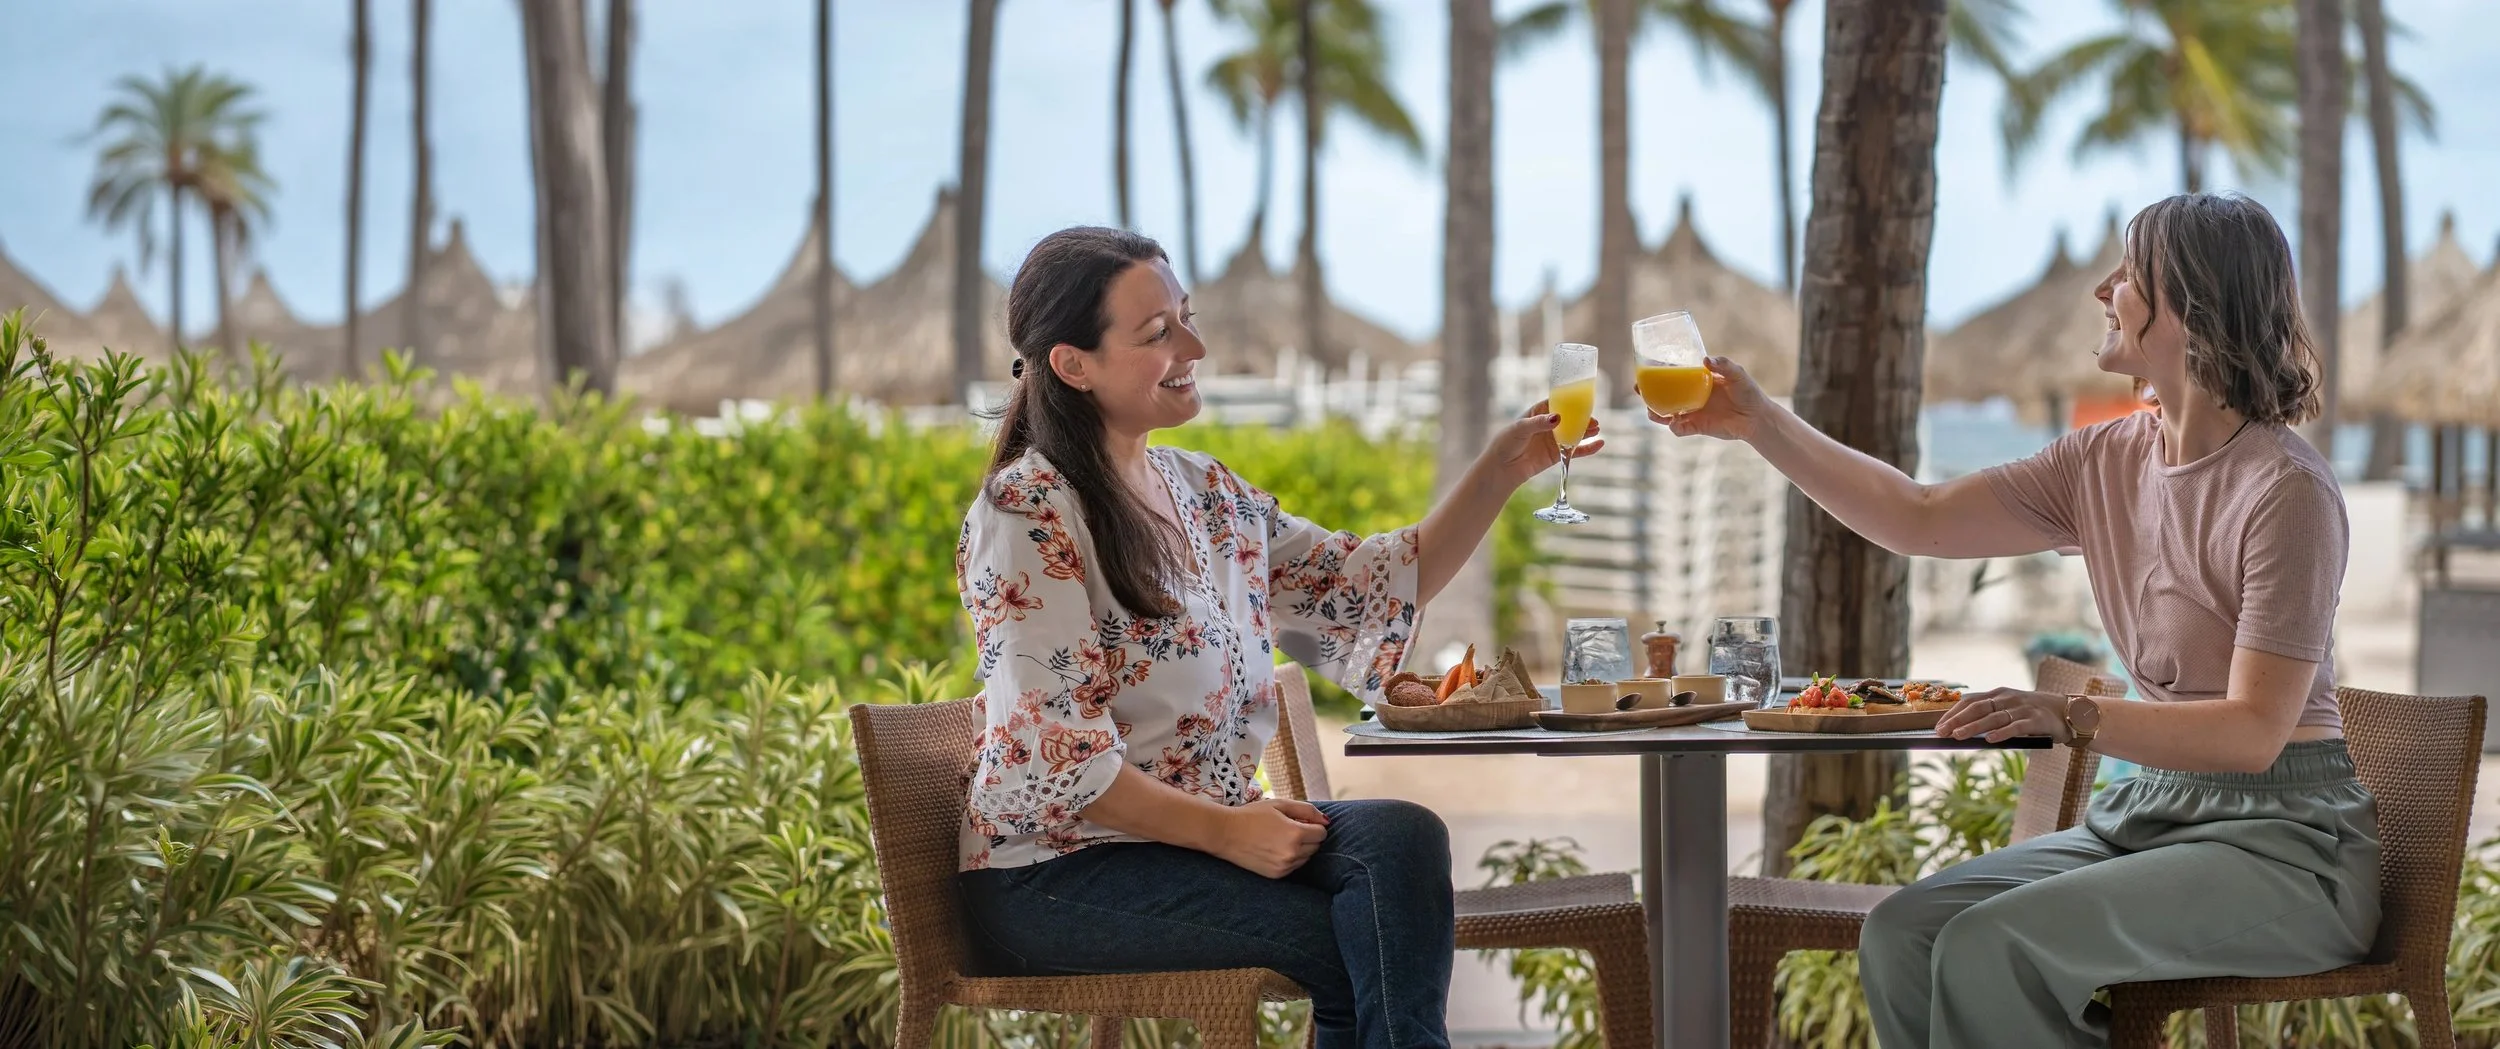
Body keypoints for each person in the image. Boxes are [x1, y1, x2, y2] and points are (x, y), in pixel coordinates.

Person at [1659, 193, 2378, 1048]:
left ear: (2188, 305)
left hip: (2288, 847)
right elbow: (1917, 515)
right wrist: (1759, 424)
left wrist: (2070, 717)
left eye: (2129, 272)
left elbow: (2255, 732)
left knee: (1989, 947)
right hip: (2156, 814)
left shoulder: (2285, 491)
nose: (2102, 290)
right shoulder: (2105, 459)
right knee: (1904, 933)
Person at [952, 226, 1599, 1049]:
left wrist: (1505, 466)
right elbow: (1065, 761)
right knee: (1361, 943)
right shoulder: (1029, 512)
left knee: (1402, 838)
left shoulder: (1205, 491)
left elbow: (1365, 582)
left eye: (1185, 317)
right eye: (1159, 333)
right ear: (1073, 364)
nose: (1196, 345)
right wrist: (1231, 830)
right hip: (1058, 872)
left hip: (1196, 841)